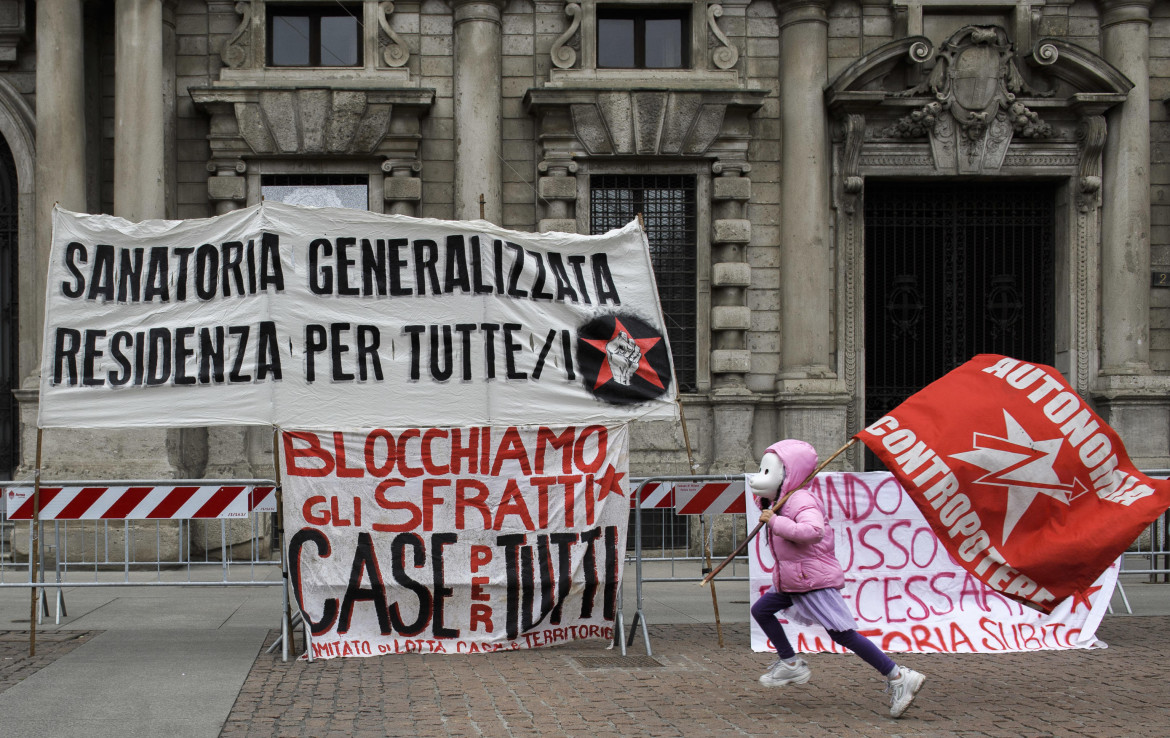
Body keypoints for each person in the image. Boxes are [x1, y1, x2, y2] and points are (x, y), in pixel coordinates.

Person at [748, 439, 926, 719]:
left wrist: (774, 522)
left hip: (811, 581)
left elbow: (812, 531)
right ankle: (790, 663)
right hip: (794, 579)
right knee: (761, 609)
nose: (759, 477)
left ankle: (898, 675)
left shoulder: (801, 499)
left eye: (768, 472)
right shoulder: (782, 501)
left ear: (790, 474)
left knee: (842, 634)